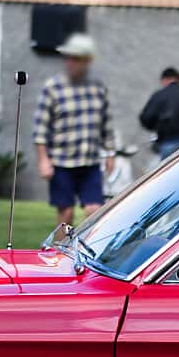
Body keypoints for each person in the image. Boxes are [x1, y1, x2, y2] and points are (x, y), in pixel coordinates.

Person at [32, 33, 115, 229]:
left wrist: (110, 153)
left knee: (94, 211)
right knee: (66, 214)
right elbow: (40, 129)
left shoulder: (97, 87)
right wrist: (43, 160)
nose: (70, 62)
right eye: (67, 57)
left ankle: (86, 254)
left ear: (87, 61)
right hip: (62, 163)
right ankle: (57, 256)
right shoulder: (52, 88)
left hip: (90, 162)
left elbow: (106, 124)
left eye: (76, 59)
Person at [137, 65, 179, 162]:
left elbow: (146, 118)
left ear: (164, 80)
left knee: (169, 173)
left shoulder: (160, 95)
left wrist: (156, 126)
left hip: (168, 142)